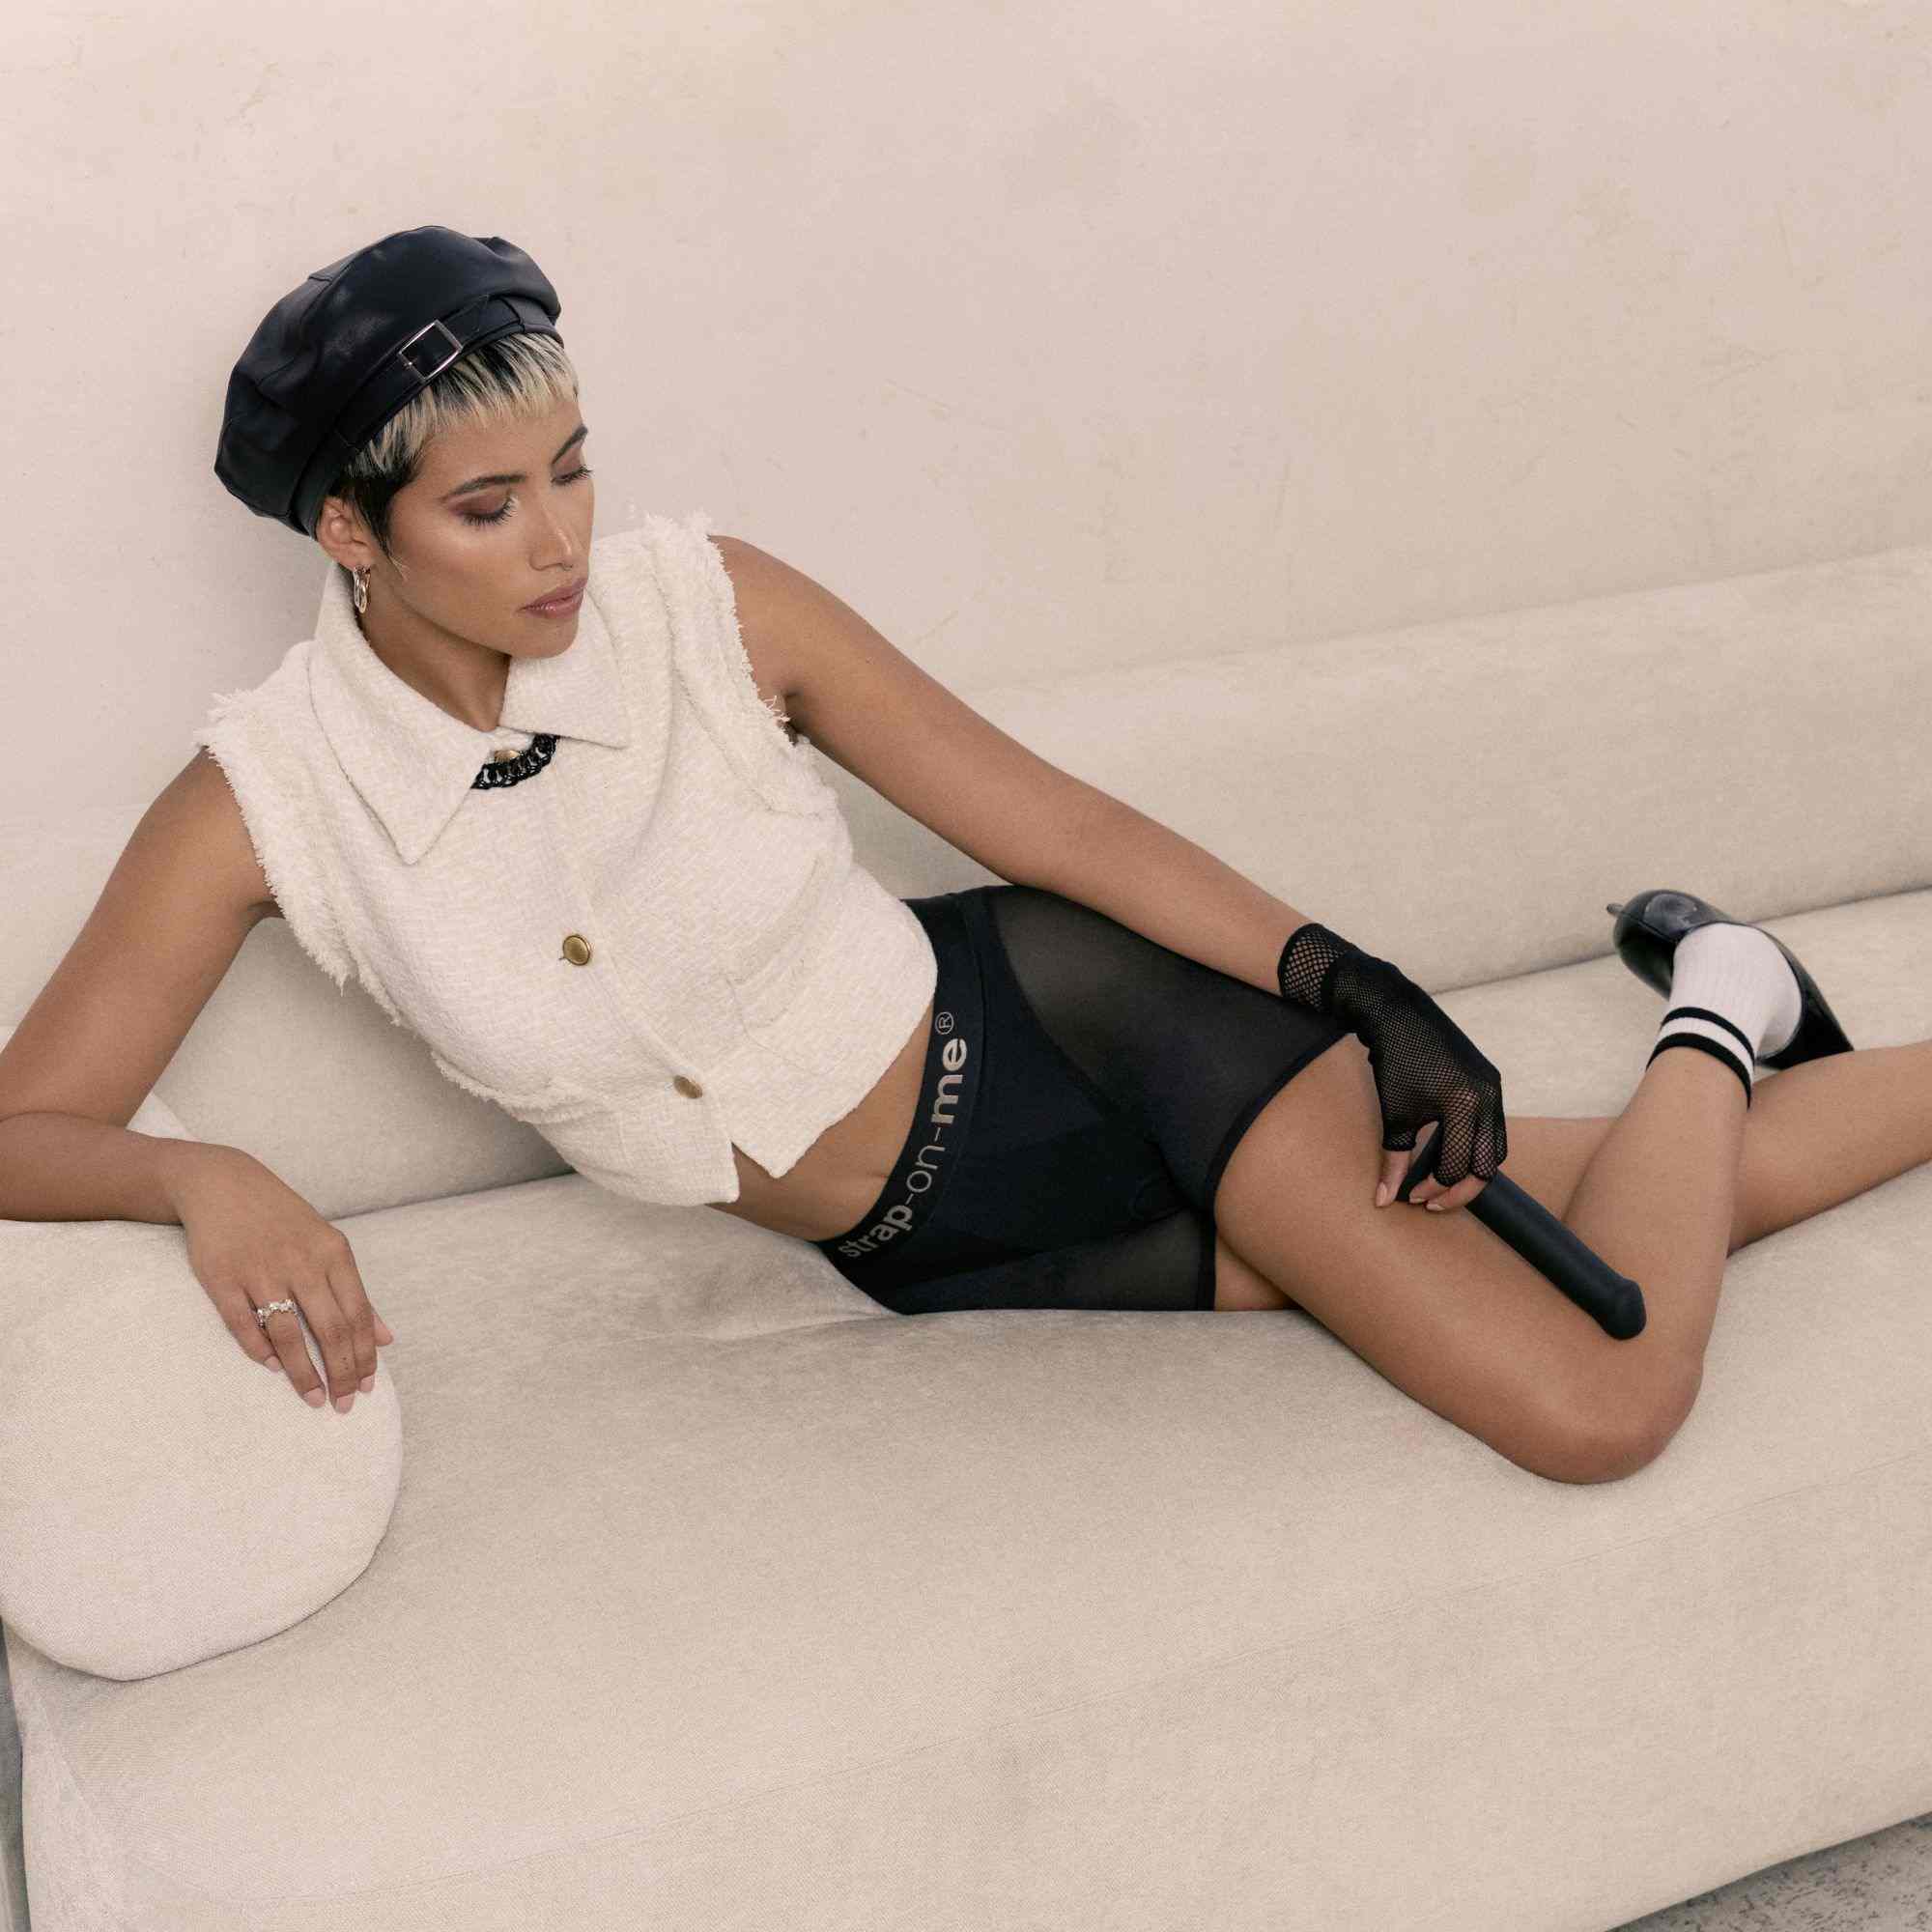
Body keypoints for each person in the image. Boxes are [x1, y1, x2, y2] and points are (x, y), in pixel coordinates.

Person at [5, 224, 1913, 1488]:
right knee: (1642, 1203)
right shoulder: (267, 800)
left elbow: (1054, 822)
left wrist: (1361, 988)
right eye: (488, 506)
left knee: (1596, 1399)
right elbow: (22, 1127)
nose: (563, 539)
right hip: (939, 1243)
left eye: (573, 467)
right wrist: (205, 1175)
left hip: (1090, 1039)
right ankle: (1737, 982)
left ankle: (1711, 1021)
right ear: (352, 532)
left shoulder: (708, 605)